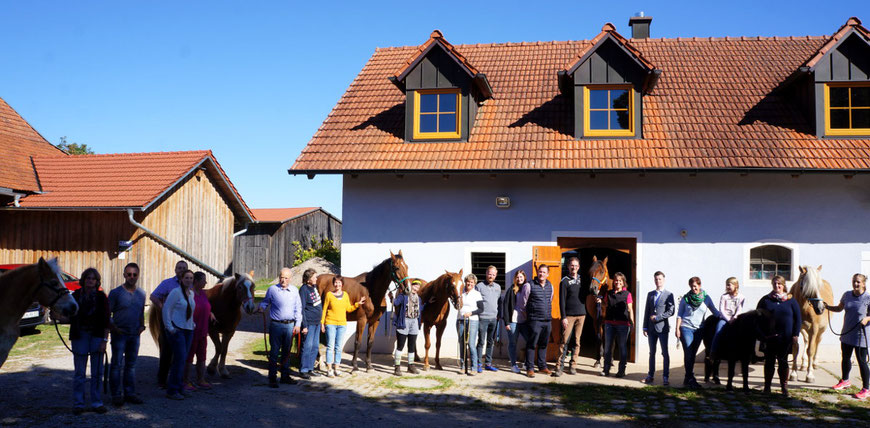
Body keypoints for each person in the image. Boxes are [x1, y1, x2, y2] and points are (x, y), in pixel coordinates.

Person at [67, 268, 110, 415]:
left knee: (97, 373)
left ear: (97, 281)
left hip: (97, 336)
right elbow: (69, 316)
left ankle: (96, 402)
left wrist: (104, 340)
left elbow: (106, 321)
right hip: (80, 336)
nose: (90, 281)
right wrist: (57, 316)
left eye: (93, 278)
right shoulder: (75, 295)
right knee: (79, 373)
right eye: (88, 278)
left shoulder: (101, 297)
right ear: (83, 280)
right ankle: (79, 403)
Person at [826, 273, 870, 400]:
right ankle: (845, 381)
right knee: (845, 358)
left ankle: (866, 389)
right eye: (854, 281)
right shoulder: (847, 295)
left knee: (862, 362)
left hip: (861, 335)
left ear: (863, 283)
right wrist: (827, 307)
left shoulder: (867, 298)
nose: (855, 284)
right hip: (847, 333)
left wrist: (867, 318)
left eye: (858, 282)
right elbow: (839, 308)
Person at [108, 263, 146, 407]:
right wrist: (114, 328)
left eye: (134, 274)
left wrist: (142, 326)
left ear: (138, 275)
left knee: (131, 365)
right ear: (124, 275)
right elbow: (108, 313)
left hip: (135, 334)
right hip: (120, 334)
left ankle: (130, 393)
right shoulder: (115, 293)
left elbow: (141, 311)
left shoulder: (141, 293)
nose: (132, 277)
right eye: (129, 274)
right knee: (116, 365)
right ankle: (116, 395)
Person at [756, 275, 801, 396]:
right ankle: (767, 387)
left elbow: (798, 319)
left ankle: (784, 387)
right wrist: (761, 334)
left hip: (785, 338)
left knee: (783, 363)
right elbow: (758, 318)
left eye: (779, 284)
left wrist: (795, 334)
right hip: (769, 338)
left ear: (783, 285)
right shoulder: (765, 300)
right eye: (775, 284)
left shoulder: (791, 301)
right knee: (769, 362)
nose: (777, 286)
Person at [258, 267, 303, 387]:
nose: (283, 280)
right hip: (276, 325)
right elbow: (265, 301)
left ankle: (285, 376)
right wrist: (262, 307)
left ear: (290, 279)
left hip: (290, 325)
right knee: (274, 352)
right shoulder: (272, 289)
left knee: (287, 352)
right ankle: (272, 377)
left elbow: (298, 308)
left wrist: (298, 324)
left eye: (286, 278)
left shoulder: (294, 291)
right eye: (281, 277)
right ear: (279, 277)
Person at [675, 276, 721, 389]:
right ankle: (691, 378)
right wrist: (677, 329)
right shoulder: (685, 299)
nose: (693, 289)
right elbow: (680, 315)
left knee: (692, 355)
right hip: (686, 328)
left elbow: (715, 311)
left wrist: (727, 318)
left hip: (699, 329)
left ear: (700, 285)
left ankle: (687, 378)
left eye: (695, 286)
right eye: (691, 286)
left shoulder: (706, 298)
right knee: (689, 352)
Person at [149, 260, 188, 388]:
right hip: (169, 321)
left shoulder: (189, 284)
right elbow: (153, 296)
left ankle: (177, 380)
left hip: (183, 323)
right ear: (175, 270)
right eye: (179, 268)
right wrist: (163, 308)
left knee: (180, 352)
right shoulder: (168, 283)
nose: (181, 270)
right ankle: (162, 380)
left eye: (183, 268)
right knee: (166, 351)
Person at [320, 276, 366, 378]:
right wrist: (322, 323)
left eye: (339, 283)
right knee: (330, 346)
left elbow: (348, 309)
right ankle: (329, 369)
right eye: (336, 283)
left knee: (338, 348)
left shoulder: (345, 295)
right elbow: (324, 309)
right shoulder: (329, 295)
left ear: (342, 284)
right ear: (333, 284)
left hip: (342, 324)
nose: (337, 285)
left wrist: (357, 304)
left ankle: (337, 368)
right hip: (330, 323)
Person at [162, 269, 196, 400]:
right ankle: (172, 390)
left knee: (183, 359)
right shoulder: (175, 292)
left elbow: (190, 311)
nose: (189, 280)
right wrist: (169, 327)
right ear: (181, 279)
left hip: (188, 330)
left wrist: (192, 323)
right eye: (186, 278)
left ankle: (180, 386)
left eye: (191, 278)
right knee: (179, 359)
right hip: (177, 329)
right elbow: (166, 309)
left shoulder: (191, 294)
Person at [518, 264, 554, 378]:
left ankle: (542, 367)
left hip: (547, 320)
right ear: (537, 272)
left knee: (543, 344)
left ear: (547, 274)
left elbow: (550, 299)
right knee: (532, 344)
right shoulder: (529, 285)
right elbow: (522, 304)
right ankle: (530, 368)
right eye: (540, 272)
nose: (541, 274)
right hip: (535, 320)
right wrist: (530, 316)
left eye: (544, 272)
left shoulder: (550, 286)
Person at [642, 271, 675, 385]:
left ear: (664, 280)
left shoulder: (668, 294)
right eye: (656, 279)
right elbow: (647, 311)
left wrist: (658, 318)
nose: (658, 281)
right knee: (652, 352)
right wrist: (645, 326)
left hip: (662, 328)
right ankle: (650, 375)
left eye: (660, 279)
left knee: (664, 353)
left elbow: (671, 311)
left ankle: (665, 377)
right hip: (651, 329)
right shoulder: (650, 294)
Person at [184, 272, 215, 392]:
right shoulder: (190, 294)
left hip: (203, 331)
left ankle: (200, 379)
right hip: (192, 331)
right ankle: (185, 380)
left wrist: (210, 313)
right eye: (203, 280)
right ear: (196, 281)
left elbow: (206, 306)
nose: (205, 283)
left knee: (202, 356)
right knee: (189, 357)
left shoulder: (203, 293)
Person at [554, 257, 585, 377]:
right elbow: (562, 301)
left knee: (577, 341)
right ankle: (559, 366)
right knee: (564, 341)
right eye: (572, 265)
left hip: (581, 315)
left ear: (579, 267)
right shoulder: (565, 281)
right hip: (569, 316)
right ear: (568, 266)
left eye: (576, 265)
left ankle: (573, 365)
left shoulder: (583, 279)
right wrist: (563, 317)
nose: (574, 268)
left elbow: (591, 291)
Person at [601, 272, 634, 378]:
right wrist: (600, 301)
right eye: (616, 280)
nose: (618, 282)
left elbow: (630, 309)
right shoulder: (609, 293)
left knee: (622, 348)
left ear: (623, 282)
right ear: (613, 282)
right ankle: (606, 370)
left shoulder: (627, 294)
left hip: (623, 325)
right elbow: (605, 304)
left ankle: (621, 371)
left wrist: (632, 323)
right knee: (607, 348)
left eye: (620, 280)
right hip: (609, 324)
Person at [392, 280, 424, 376]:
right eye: (415, 286)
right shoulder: (404, 296)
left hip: (414, 323)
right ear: (411, 286)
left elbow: (421, 308)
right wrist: (392, 298)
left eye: (418, 287)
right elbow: (396, 303)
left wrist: (429, 303)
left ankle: (411, 366)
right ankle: (397, 367)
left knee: (411, 346)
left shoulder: (419, 299)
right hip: (404, 322)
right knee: (400, 346)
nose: (416, 288)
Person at [476, 266, 503, 372]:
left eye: (493, 274)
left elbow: (499, 302)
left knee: (490, 342)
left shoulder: (498, 287)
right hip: (482, 318)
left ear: (495, 275)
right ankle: (478, 363)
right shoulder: (479, 286)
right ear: (486, 273)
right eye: (489, 273)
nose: (491, 276)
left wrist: (499, 315)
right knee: (481, 341)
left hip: (494, 318)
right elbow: (475, 302)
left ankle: (488, 363)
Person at [711, 277, 745, 359]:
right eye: (726, 285)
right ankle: (713, 351)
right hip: (724, 318)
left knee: (745, 331)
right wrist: (728, 320)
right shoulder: (724, 296)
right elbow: (721, 310)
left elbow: (740, 309)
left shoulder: (741, 297)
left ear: (735, 285)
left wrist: (735, 317)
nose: (727, 287)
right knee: (718, 330)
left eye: (729, 285)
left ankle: (746, 352)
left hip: (735, 318)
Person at [501, 270, 528, 374]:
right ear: (515, 278)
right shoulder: (511, 289)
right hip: (513, 321)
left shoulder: (527, 287)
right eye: (518, 277)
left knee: (530, 340)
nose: (519, 279)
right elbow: (506, 305)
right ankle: (513, 365)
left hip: (525, 321)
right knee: (513, 343)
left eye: (521, 277)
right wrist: (506, 322)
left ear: (524, 277)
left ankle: (526, 363)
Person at [457, 274, 483, 376]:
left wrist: (471, 313)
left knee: (471, 344)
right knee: (462, 344)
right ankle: (463, 367)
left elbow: (481, 309)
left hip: (472, 320)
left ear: (474, 283)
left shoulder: (477, 294)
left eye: (472, 282)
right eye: (468, 282)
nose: (469, 284)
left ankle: (474, 368)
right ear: (465, 282)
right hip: (460, 320)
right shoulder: (461, 293)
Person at [298, 268, 322, 379]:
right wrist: (305, 325)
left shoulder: (314, 287)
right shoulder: (303, 289)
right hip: (310, 323)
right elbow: (302, 308)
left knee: (315, 346)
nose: (316, 279)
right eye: (314, 277)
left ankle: (310, 368)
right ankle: (303, 370)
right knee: (307, 346)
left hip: (317, 322)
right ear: (308, 279)